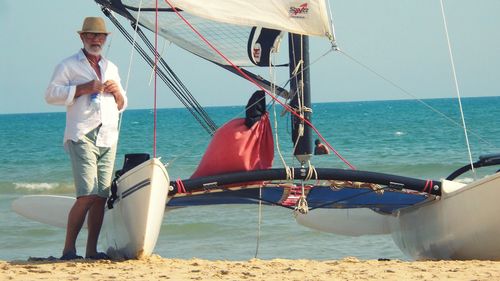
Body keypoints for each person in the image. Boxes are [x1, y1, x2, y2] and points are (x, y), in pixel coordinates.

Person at [45, 17, 127, 260]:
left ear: (105, 39)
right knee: (87, 194)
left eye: (99, 36)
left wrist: (117, 94)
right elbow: (50, 95)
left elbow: (122, 103)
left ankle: (91, 251)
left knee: (101, 196)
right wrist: (82, 88)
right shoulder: (68, 65)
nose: (95, 39)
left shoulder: (111, 67)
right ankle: (69, 250)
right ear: (82, 38)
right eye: (90, 35)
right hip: (82, 133)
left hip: (108, 135)